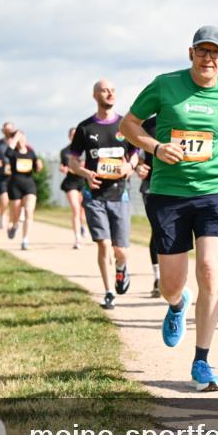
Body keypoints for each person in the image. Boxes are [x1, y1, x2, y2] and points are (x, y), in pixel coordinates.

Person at [121, 26, 218, 393]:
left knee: (209, 269)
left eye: (215, 53)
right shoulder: (164, 85)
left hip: (214, 193)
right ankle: (177, 305)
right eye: (202, 51)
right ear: (191, 53)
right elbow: (129, 125)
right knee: (172, 285)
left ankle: (202, 360)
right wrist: (156, 148)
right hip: (169, 194)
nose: (208, 59)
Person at [67, 80, 138, 310]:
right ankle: (108, 292)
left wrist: (130, 167)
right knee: (104, 245)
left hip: (120, 195)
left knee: (121, 251)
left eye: (113, 90)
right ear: (95, 95)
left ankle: (121, 269)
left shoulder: (124, 125)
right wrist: (86, 173)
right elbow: (73, 161)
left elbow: (135, 154)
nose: (110, 93)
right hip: (95, 196)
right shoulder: (85, 128)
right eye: (105, 90)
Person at [135, 114, 162, 297]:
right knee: (158, 229)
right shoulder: (145, 124)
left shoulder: (188, 116)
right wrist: (137, 165)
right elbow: (129, 150)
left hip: (184, 186)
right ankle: (159, 278)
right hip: (152, 184)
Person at [4, 130, 43, 250]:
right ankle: (15, 225)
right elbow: (7, 152)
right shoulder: (13, 153)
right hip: (15, 185)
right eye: (19, 139)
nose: (21, 140)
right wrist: (15, 138)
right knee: (15, 214)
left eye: (23, 138)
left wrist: (39, 165)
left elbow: (37, 168)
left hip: (29, 185)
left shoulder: (31, 153)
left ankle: (25, 240)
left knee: (28, 211)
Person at [59, 127, 88, 249]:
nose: (74, 136)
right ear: (69, 136)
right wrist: (63, 168)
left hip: (83, 180)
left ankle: (82, 225)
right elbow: (63, 164)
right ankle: (77, 239)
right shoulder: (65, 151)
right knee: (75, 208)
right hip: (71, 182)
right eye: (72, 135)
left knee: (82, 211)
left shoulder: (86, 149)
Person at [0, 123, 17, 228]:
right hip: (3, 175)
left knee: (14, 200)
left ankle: (12, 220)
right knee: (4, 198)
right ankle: (2, 215)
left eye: (10, 129)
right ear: (2, 130)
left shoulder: (18, 143)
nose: (8, 131)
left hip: (16, 175)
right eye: (6, 129)